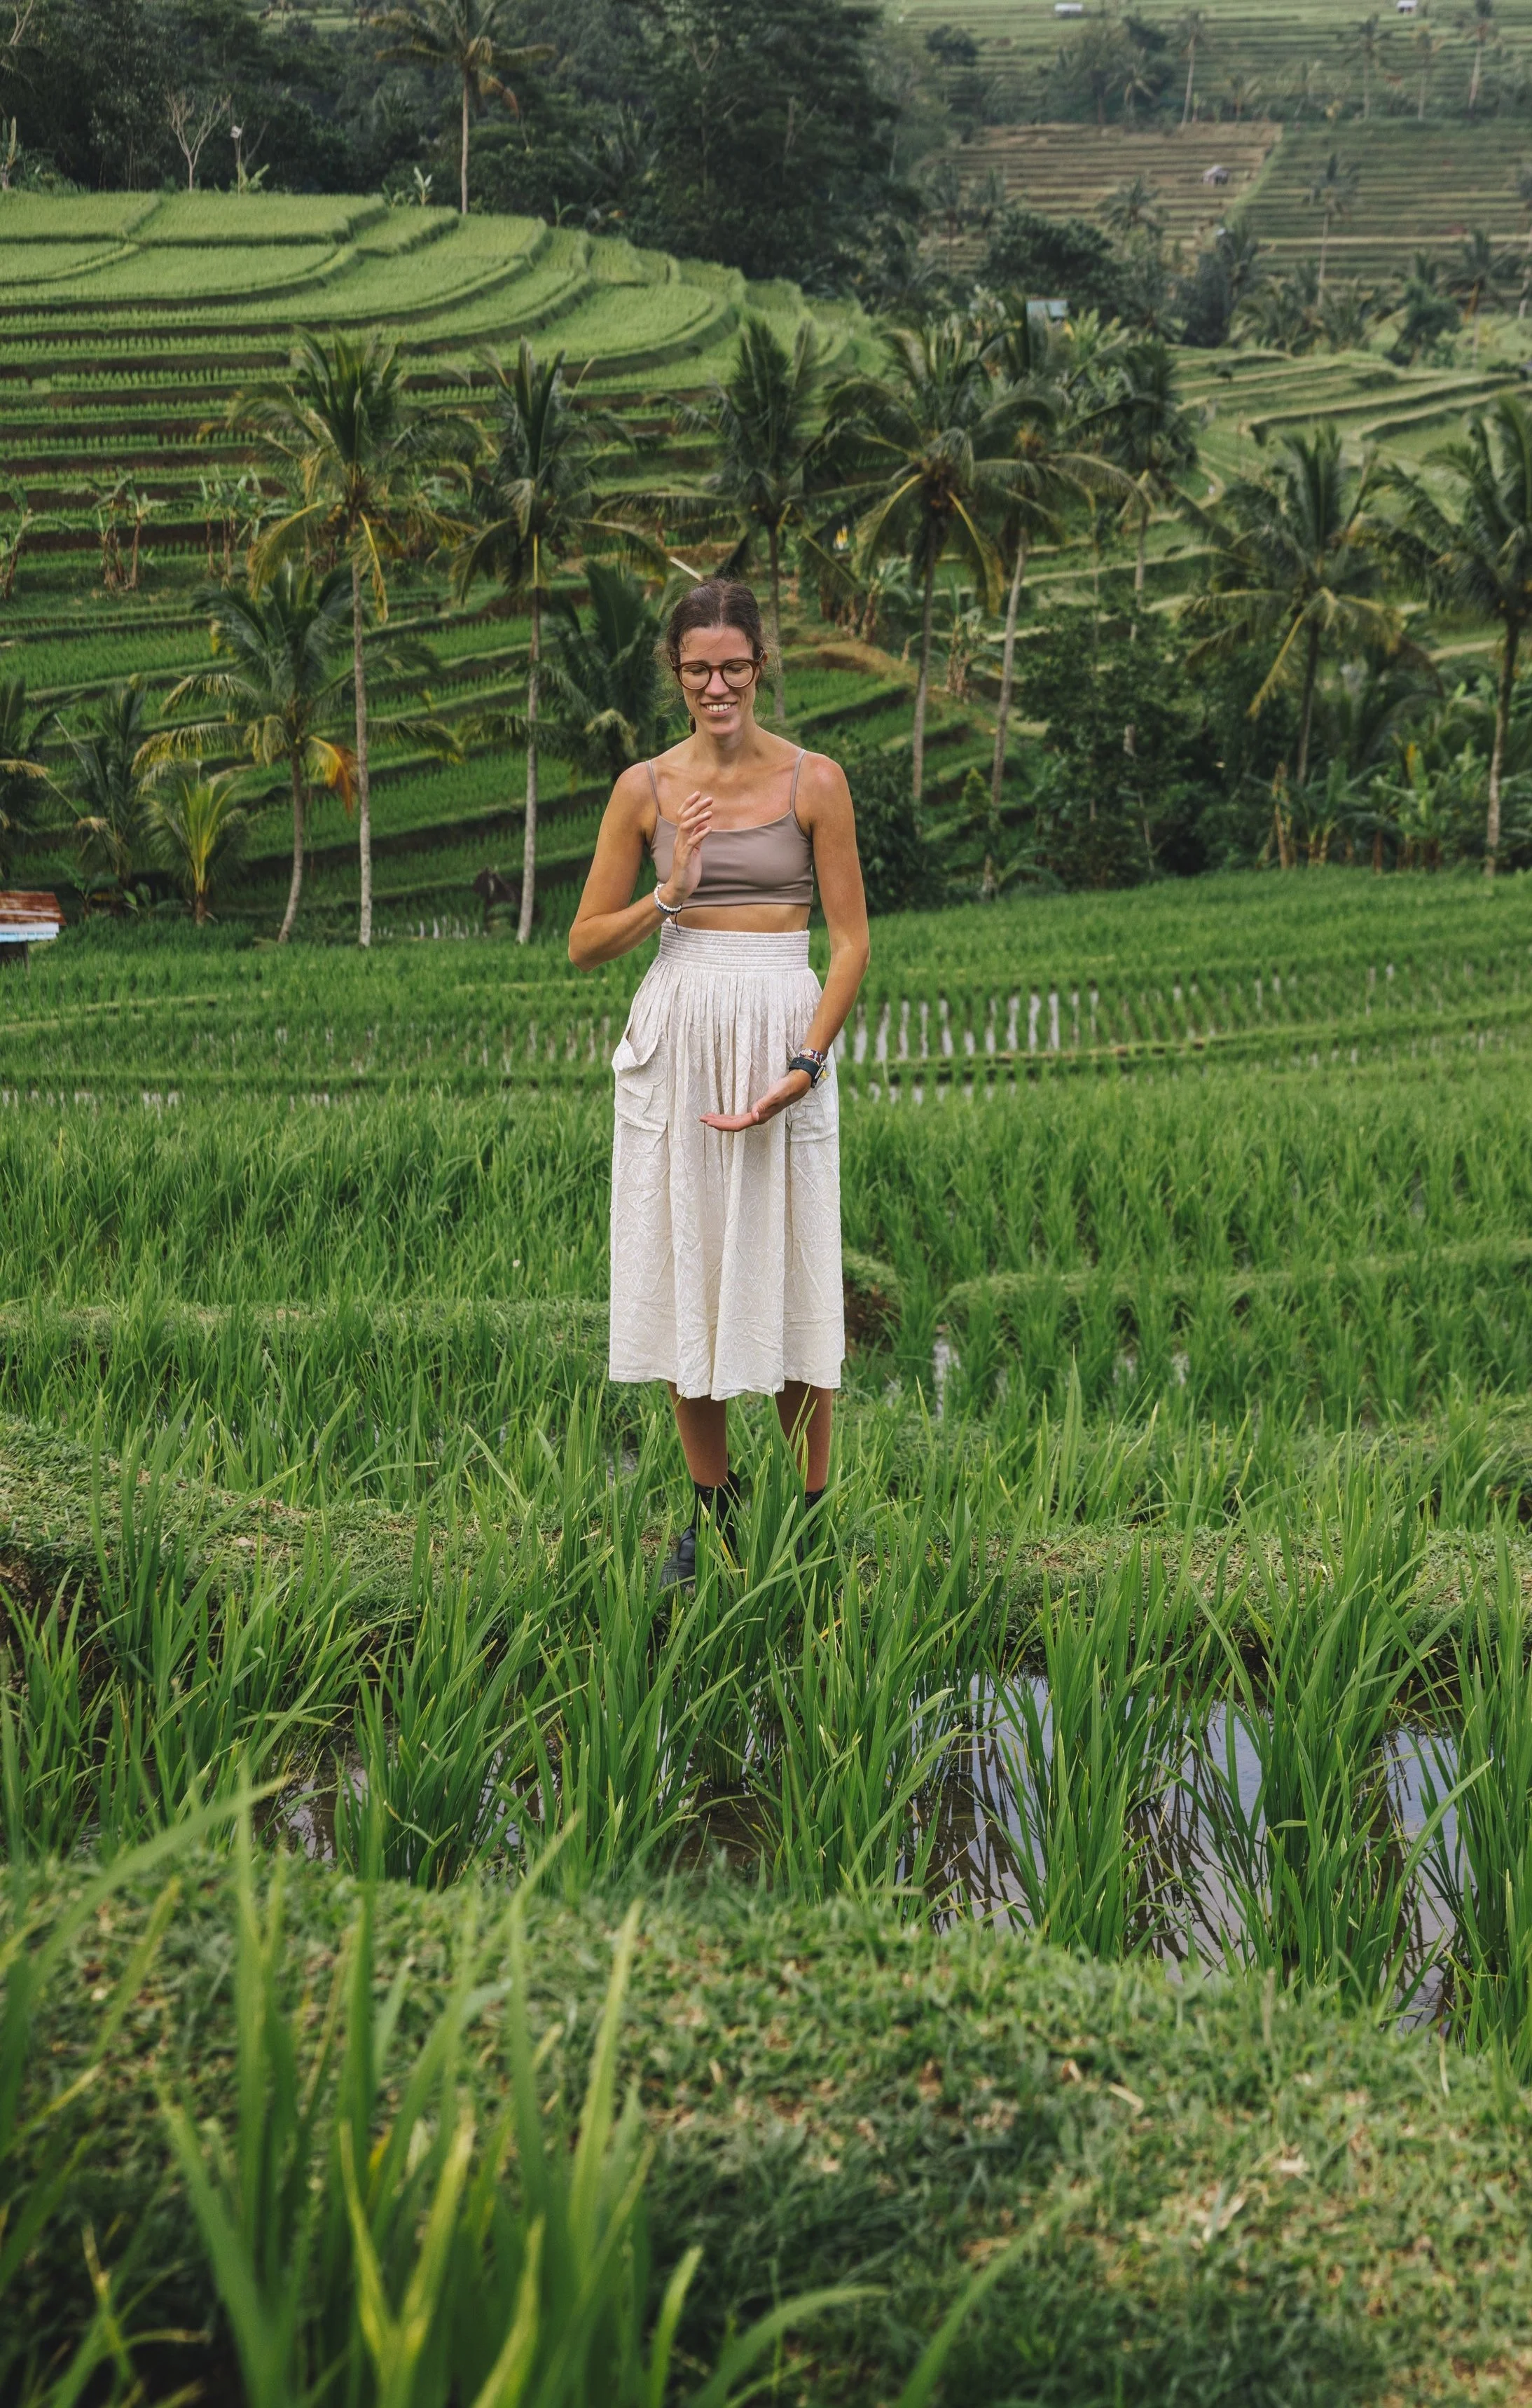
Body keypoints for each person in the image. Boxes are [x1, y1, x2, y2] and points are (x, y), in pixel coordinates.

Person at [569, 576, 871, 1584]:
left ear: (758, 665)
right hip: (679, 1027)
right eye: (696, 669)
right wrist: (671, 892)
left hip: (782, 1026)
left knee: (792, 1273)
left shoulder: (814, 782)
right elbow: (582, 945)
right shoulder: (644, 790)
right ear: (675, 674)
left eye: (731, 666)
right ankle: (718, 1510)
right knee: (685, 1272)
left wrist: (805, 1064)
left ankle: (814, 1521)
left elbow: (850, 945)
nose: (715, 685)